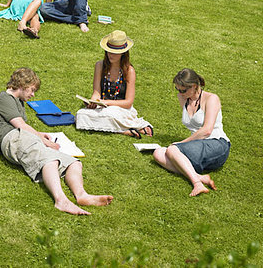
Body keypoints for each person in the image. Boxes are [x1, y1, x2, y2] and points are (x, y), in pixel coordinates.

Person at [0, 68, 113, 215]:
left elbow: (23, 127)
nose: (33, 94)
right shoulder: (4, 98)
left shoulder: (18, 101)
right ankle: (61, 200)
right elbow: (20, 126)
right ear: (23, 85)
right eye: (32, 90)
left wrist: (40, 135)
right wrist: (44, 141)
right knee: (51, 160)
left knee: (73, 163)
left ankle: (82, 195)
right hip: (12, 139)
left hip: (22, 136)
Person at [153, 69, 230, 197]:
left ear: (194, 86)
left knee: (172, 150)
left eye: (183, 90)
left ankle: (197, 183)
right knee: (158, 153)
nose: (180, 93)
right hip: (198, 145)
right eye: (178, 89)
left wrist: (181, 144)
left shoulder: (211, 99)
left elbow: (207, 130)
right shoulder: (183, 98)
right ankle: (200, 177)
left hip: (217, 144)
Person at [75, 30, 153, 138]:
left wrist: (105, 102)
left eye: (114, 53)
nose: (110, 55)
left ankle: (122, 129)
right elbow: (96, 92)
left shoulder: (129, 71)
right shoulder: (99, 65)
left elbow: (128, 102)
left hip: (120, 108)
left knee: (111, 115)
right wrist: (93, 102)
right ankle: (122, 130)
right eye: (108, 51)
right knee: (81, 115)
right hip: (102, 107)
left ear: (123, 53)